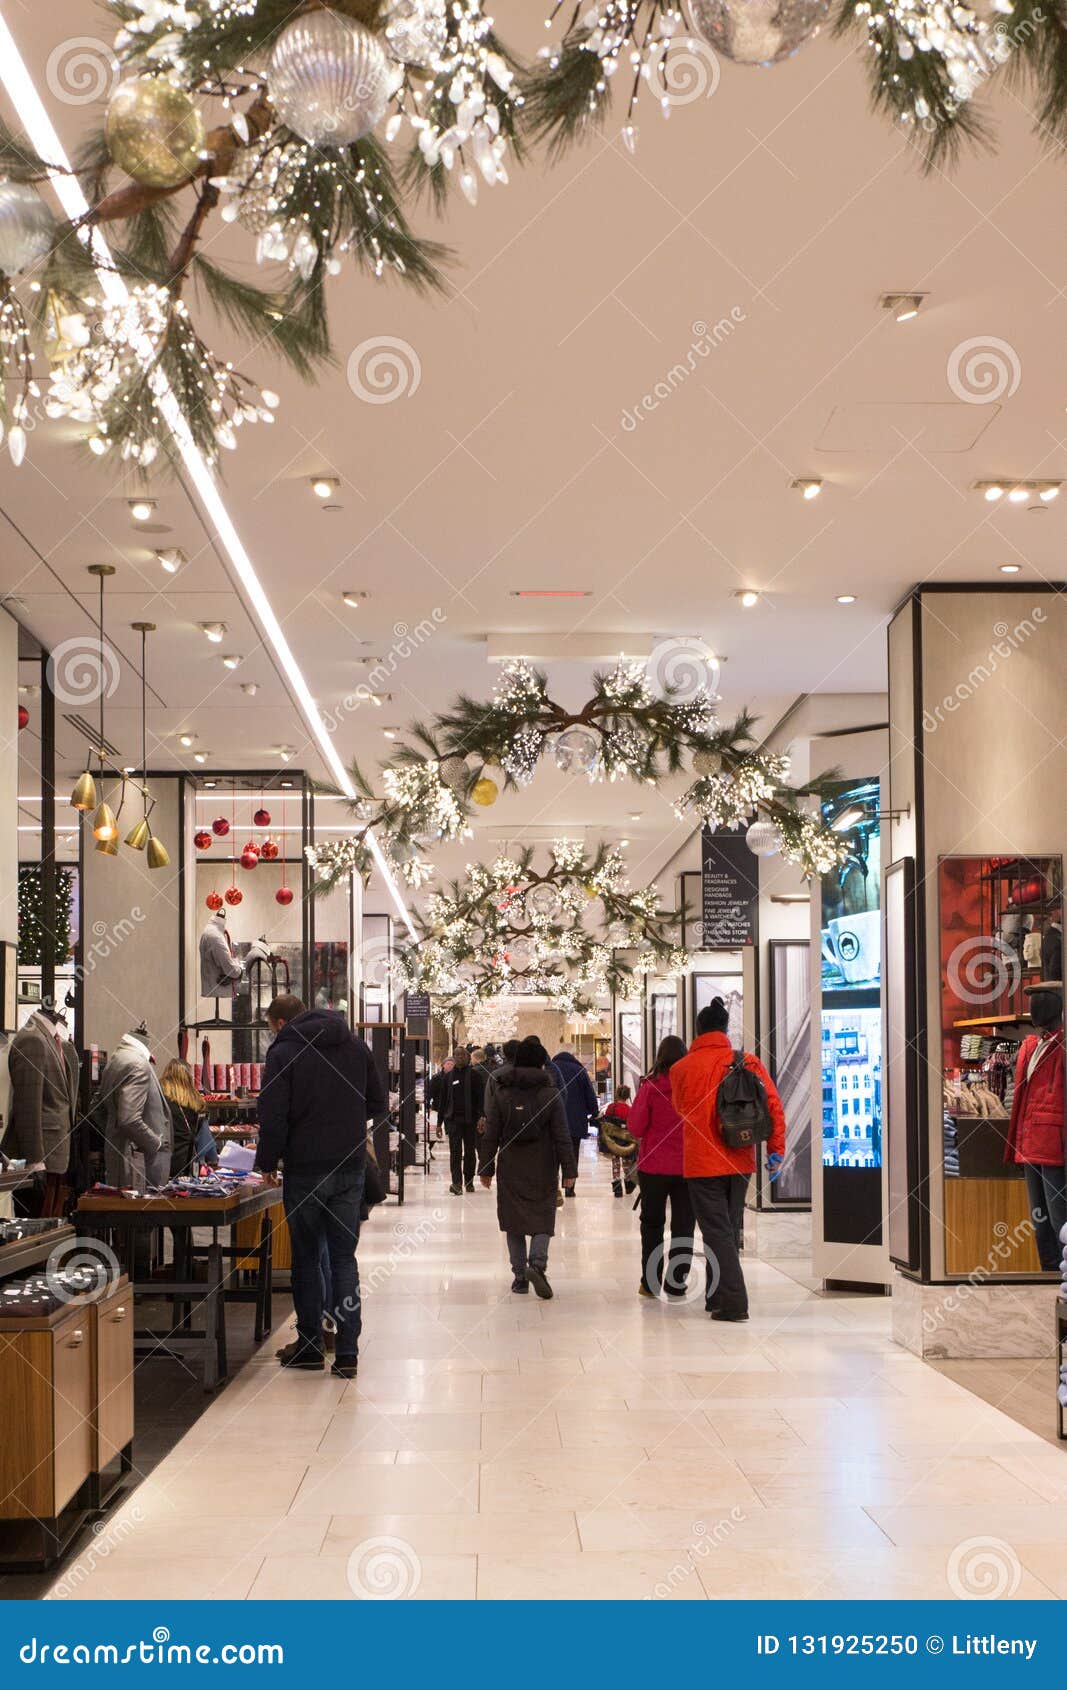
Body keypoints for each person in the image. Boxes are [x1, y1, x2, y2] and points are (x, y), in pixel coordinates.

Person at [255, 993, 385, 1377]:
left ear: (281, 1022)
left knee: (307, 1259)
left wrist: (266, 1162)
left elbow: (273, 1114)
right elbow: (377, 1104)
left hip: (306, 1168)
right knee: (344, 1259)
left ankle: (310, 1345)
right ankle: (347, 1354)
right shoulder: (356, 1047)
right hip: (349, 1167)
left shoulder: (284, 1052)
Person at [670, 998, 786, 1322]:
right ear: (724, 1029)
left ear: (698, 1031)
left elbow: (680, 1110)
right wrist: (776, 1149)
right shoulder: (746, 1061)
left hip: (701, 1163)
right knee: (727, 1228)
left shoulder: (681, 1069)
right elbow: (773, 1106)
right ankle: (715, 1294)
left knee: (715, 1231)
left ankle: (733, 1302)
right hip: (740, 1158)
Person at [480, 1036, 577, 1298]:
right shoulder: (551, 1093)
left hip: (510, 1163)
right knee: (543, 1218)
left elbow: (492, 1132)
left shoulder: (502, 1092)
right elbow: (561, 1134)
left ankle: (520, 1277)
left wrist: (486, 1167)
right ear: (541, 1062)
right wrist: (569, 1171)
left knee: (513, 1220)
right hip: (544, 1163)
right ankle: (537, 1264)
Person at [1004, 985, 1065, 1270]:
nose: (1035, 1007)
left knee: (1059, 1221)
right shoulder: (1031, 1046)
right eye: (1032, 1001)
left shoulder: (1062, 1046)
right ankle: (1049, 1276)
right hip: (1029, 1142)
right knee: (1039, 1220)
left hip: (1054, 1145)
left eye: (1042, 1000)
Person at [628, 1037, 694, 1299]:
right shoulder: (692, 1088)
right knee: (684, 1226)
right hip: (688, 1166)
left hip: (654, 1167)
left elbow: (635, 1127)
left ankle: (651, 1283)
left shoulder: (650, 1087)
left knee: (652, 1224)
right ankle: (677, 1282)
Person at [548, 1043, 599, 1196]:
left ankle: (553, 1187)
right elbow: (589, 1094)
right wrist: (593, 1112)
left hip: (552, 1119)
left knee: (553, 1154)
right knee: (572, 1153)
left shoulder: (550, 1069)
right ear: (573, 1055)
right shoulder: (579, 1070)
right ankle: (570, 1187)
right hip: (575, 1120)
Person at [441, 1046, 487, 1194]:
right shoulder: (448, 1077)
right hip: (453, 1120)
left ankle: (469, 1181)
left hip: (471, 1120)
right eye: (457, 1055)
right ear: (453, 1057)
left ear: (467, 1058)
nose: (460, 1057)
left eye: (463, 1055)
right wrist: (439, 1122)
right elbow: (443, 1101)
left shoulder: (475, 1076)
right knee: (455, 1151)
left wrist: (482, 1116)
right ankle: (456, 1183)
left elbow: (481, 1099)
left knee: (469, 1151)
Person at [159, 1058, 216, 1177]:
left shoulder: (160, 1097)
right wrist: (212, 1160)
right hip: (187, 1162)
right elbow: (206, 1141)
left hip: (162, 1159)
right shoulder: (196, 1101)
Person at [604, 1083, 635, 1198]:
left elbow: (606, 1122)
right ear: (627, 1096)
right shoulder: (629, 1109)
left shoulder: (611, 1107)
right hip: (625, 1141)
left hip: (613, 1140)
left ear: (617, 1094)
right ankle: (628, 1185)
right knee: (626, 1164)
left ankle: (617, 1189)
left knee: (615, 1164)